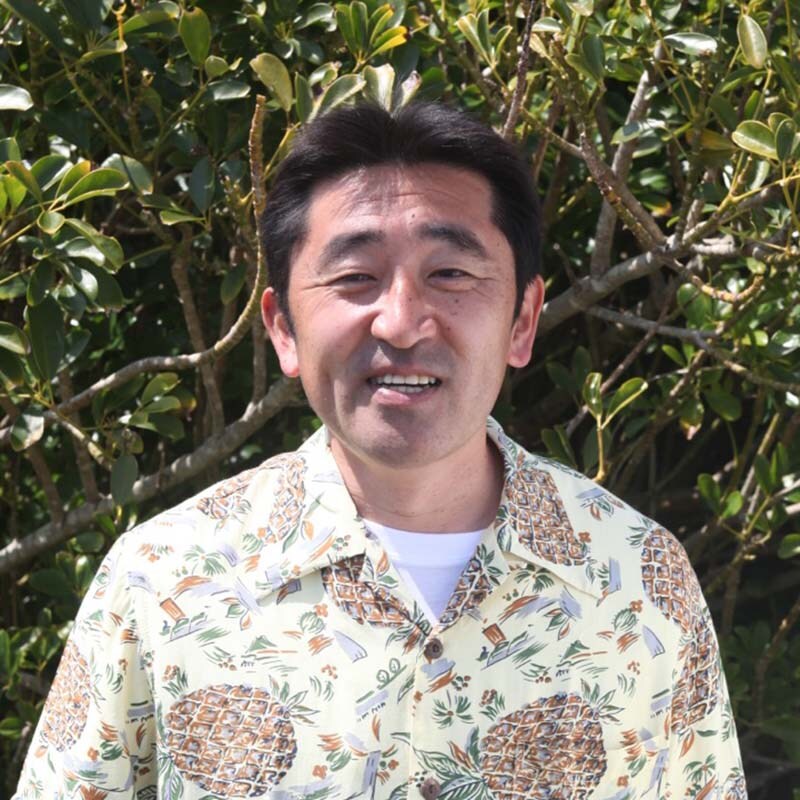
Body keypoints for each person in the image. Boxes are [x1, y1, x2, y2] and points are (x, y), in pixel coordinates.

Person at [15, 103, 746, 800]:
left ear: (522, 320)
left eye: (450, 273)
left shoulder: (638, 578)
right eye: (355, 277)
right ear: (283, 329)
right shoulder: (163, 580)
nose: (400, 322)